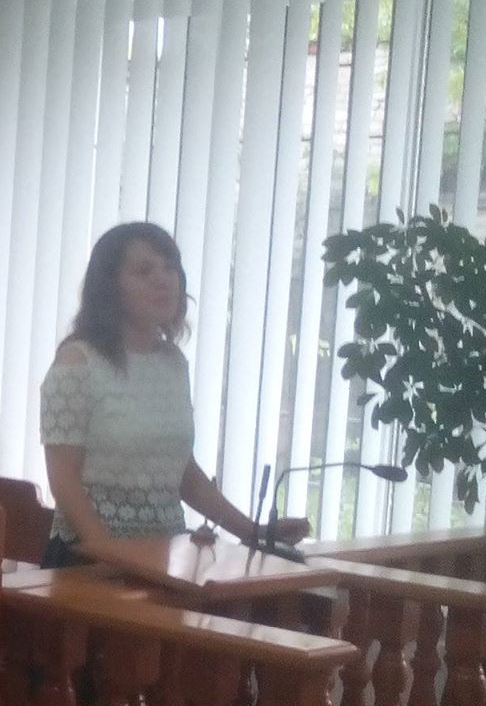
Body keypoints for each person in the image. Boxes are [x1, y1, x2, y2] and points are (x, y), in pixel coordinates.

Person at [40, 221, 307, 567]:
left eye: (170, 268)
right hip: (89, 560)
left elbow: (183, 474)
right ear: (110, 286)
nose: (163, 279)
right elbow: (64, 481)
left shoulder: (173, 362)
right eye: (144, 270)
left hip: (163, 555)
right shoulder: (77, 362)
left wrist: (254, 531)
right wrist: (111, 552)